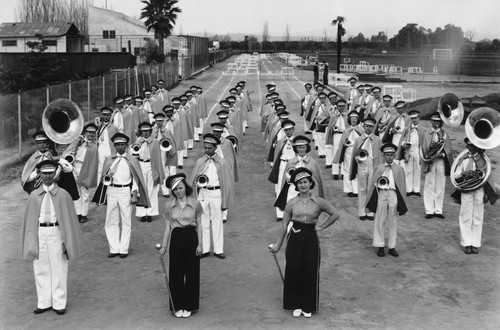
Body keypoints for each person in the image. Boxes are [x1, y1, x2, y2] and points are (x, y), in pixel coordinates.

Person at [270, 168, 340, 318]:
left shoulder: (319, 201)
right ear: (296, 185)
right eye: (299, 183)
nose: (302, 185)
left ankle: (308, 306)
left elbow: (335, 214)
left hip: (311, 238)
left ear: (310, 183)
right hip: (294, 237)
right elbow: (284, 225)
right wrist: (278, 244)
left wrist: (322, 226)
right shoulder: (291, 203)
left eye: (305, 182)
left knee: (310, 270)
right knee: (294, 269)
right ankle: (295, 304)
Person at [21, 159, 85, 315]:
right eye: (44, 173)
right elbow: (29, 221)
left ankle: (59, 302)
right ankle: (43, 302)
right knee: (40, 266)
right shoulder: (34, 195)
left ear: (55, 174)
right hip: (40, 232)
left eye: (50, 173)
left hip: (57, 232)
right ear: (40, 175)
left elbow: (69, 220)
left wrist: (66, 240)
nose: (47, 176)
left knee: (58, 266)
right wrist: (31, 239)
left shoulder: (63, 195)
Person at [92, 133, 150, 258]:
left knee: (126, 220)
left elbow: (135, 178)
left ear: (126, 145)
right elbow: (103, 177)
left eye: (122, 144)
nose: (120, 147)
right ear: (114, 146)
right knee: (111, 219)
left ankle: (123, 249)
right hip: (112, 190)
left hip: (125, 191)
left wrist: (134, 193)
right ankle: (114, 248)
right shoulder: (109, 159)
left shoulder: (132, 159)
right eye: (117, 145)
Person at [158, 173, 203, 318]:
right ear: (173, 191)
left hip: (191, 237)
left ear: (186, 187)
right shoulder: (168, 206)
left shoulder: (195, 203)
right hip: (176, 238)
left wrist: (200, 244)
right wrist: (164, 247)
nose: (179, 191)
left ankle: (189, 305)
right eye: (176, 189)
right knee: (176, 273)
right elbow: (167, 228)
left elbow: (200, 225)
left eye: (181, 187)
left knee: (192, 272)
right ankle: (177, 305)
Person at [190, 134, 235, 259]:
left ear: (215, 148)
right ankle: (204, 249)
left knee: (217, 221)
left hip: (216, 193)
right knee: (203, 221)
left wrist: (225, 200)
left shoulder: (222, 162)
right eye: (205, 147)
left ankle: (218, 249)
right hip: (203, 193)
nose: (207, 150)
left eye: (210, 148)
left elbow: (226, 182)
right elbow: (193, 179)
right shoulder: (200, 161)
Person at [451, 138, 498, 254]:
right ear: (467, 145)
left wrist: (487, 193)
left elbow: (488, 176)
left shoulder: (483, 159)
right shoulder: (463, 159)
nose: (471, 148)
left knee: (478, 216)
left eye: (473, 146)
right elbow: (455, 176)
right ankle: (467, 243)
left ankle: (475, 243)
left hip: (480, 190)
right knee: (465, 216)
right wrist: (463, 173)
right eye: (469, 145)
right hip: (466, 190)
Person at [366, 143, 408, 257]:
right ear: (384, 156)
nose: (389, 157)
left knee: (392, 220)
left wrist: (402, 202)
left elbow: (402, 186)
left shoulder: (399, 169)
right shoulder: (379, 168)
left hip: (393, 193)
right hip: (382, 193)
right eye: (387, 155)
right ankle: (380, 245)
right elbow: (373, 185)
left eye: (391, 155)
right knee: (380, 219)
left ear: (394, 156)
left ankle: (392, 246)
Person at [62, 123, 99, 223]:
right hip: (74, 166)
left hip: (85, 168)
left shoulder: (94, 147)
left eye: (92, 133)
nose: (90, 135)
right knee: (75, 192)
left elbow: (94, 163)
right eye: (88, 132)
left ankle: (84, 214)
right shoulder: (78, 141)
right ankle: (77, 213)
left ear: (95, 134)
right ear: (85, 133)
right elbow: (67, 153)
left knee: (84, 193)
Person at [350, 117, 383, 220]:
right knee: (362, 188)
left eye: (371, 126)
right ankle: (362, 212)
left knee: (371, 188)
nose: (368, 128)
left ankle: (370, 212)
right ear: (363, 126)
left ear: (373, 128)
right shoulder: (359, 139)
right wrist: (358, 159)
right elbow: (354, 154)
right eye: (367, 126)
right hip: (362, 164)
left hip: (373, 163)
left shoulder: (377, 139)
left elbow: (381, 154)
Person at [421, 113, 453, 218]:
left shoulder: (444, 134)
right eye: (434, 121)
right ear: (431, 121)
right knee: (429, 185)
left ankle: (438, 210)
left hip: (440, 162)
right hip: (430, 162)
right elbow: (423, 149)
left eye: (438, 121)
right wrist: (428, 156)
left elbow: (449, 151)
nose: (436, 123)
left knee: (440, 185)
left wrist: (442, 154)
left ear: (441, 122)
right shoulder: (426, 133)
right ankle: (429, 210)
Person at [134, 122, 165, 222]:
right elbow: (134, 155)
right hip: (141, 165)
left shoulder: (155, 142)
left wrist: (158, 171)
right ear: (141, 131)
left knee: (152, 189)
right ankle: (142, 213)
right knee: (142, 189)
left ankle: (150, 213)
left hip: (151, 165)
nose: (145, 133)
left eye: (147, 130)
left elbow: (158, 157)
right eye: (143, 131)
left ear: (150, 131)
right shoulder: (137, 141)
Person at [396, 110, 424, 196]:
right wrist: (404, 145)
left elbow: (424, 142)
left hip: (417, 150)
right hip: (409, 150)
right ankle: (408, 189)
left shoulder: (422, 130)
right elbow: (401, 140)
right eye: (412, 118)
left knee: (417, 169)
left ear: (419, 118)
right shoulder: (407, 129)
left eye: (416, 118)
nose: (414, 120)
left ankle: (416, 189)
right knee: (408, 170)